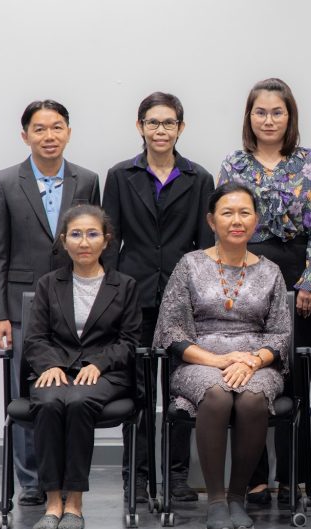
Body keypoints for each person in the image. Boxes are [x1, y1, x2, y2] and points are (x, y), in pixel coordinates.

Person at [154, 182, 291, 529]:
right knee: (216, 394)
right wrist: (217, 361)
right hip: (199, 361)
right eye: (227, 213)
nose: (236, 220)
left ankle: (237, 497)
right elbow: (171, 331)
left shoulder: (271, 271)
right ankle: (216, 500)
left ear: (256, 221)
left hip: (255, 362)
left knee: (252, 398)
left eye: (245, 213)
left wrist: (252, 361)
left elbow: (281, 334)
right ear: (211, 220)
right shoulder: (190, 265)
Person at [218, 78, 311, 507]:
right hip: (246, 269)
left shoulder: (308, 161)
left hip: (297, 273)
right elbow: (226, 222)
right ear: (249, 117)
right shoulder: (234, 164)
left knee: (294, 374)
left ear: (290, 116)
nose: (268, 120)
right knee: (249, 369)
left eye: (277, 112)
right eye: (260, 112)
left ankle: (294, 475)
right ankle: (254, 478)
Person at [102, 92, 216, 503]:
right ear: (140, 127)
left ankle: (177, 476)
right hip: (134, 299)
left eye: (169, 123)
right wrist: (112, 295)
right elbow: (109, 241)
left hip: (183, 301)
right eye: (153, 122)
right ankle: (136, 478)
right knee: (137, 392)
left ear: (180, 128)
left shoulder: (199, 178)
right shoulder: (120, 175)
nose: (161, 130)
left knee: (180, 392)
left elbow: (205, 248)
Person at [0, 99, 101, 507]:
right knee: (28, 392)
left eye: (56, 128)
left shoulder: (87, 180)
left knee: (66, 391)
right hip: (22, 305)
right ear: (25, 136)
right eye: (39, 129)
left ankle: (64, 478)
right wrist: (1, 314)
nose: (49, 136)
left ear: (68, 132)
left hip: (73, 302)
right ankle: (32, 481)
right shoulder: (5, 182)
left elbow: (96, 243)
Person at [25, 205, 141, 529]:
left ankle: (74, 502)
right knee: (49, 402)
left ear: (106, 240)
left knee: (78, 402)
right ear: (64, 241)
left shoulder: (125, 285)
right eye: (76, 234)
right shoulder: (49, 284)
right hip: (56, 369)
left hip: (106, 373)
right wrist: (50, 364)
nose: (84, 242)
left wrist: (99, 364)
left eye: (92, 234)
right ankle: (52, 503)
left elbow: (129, 341)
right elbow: (35, 337)